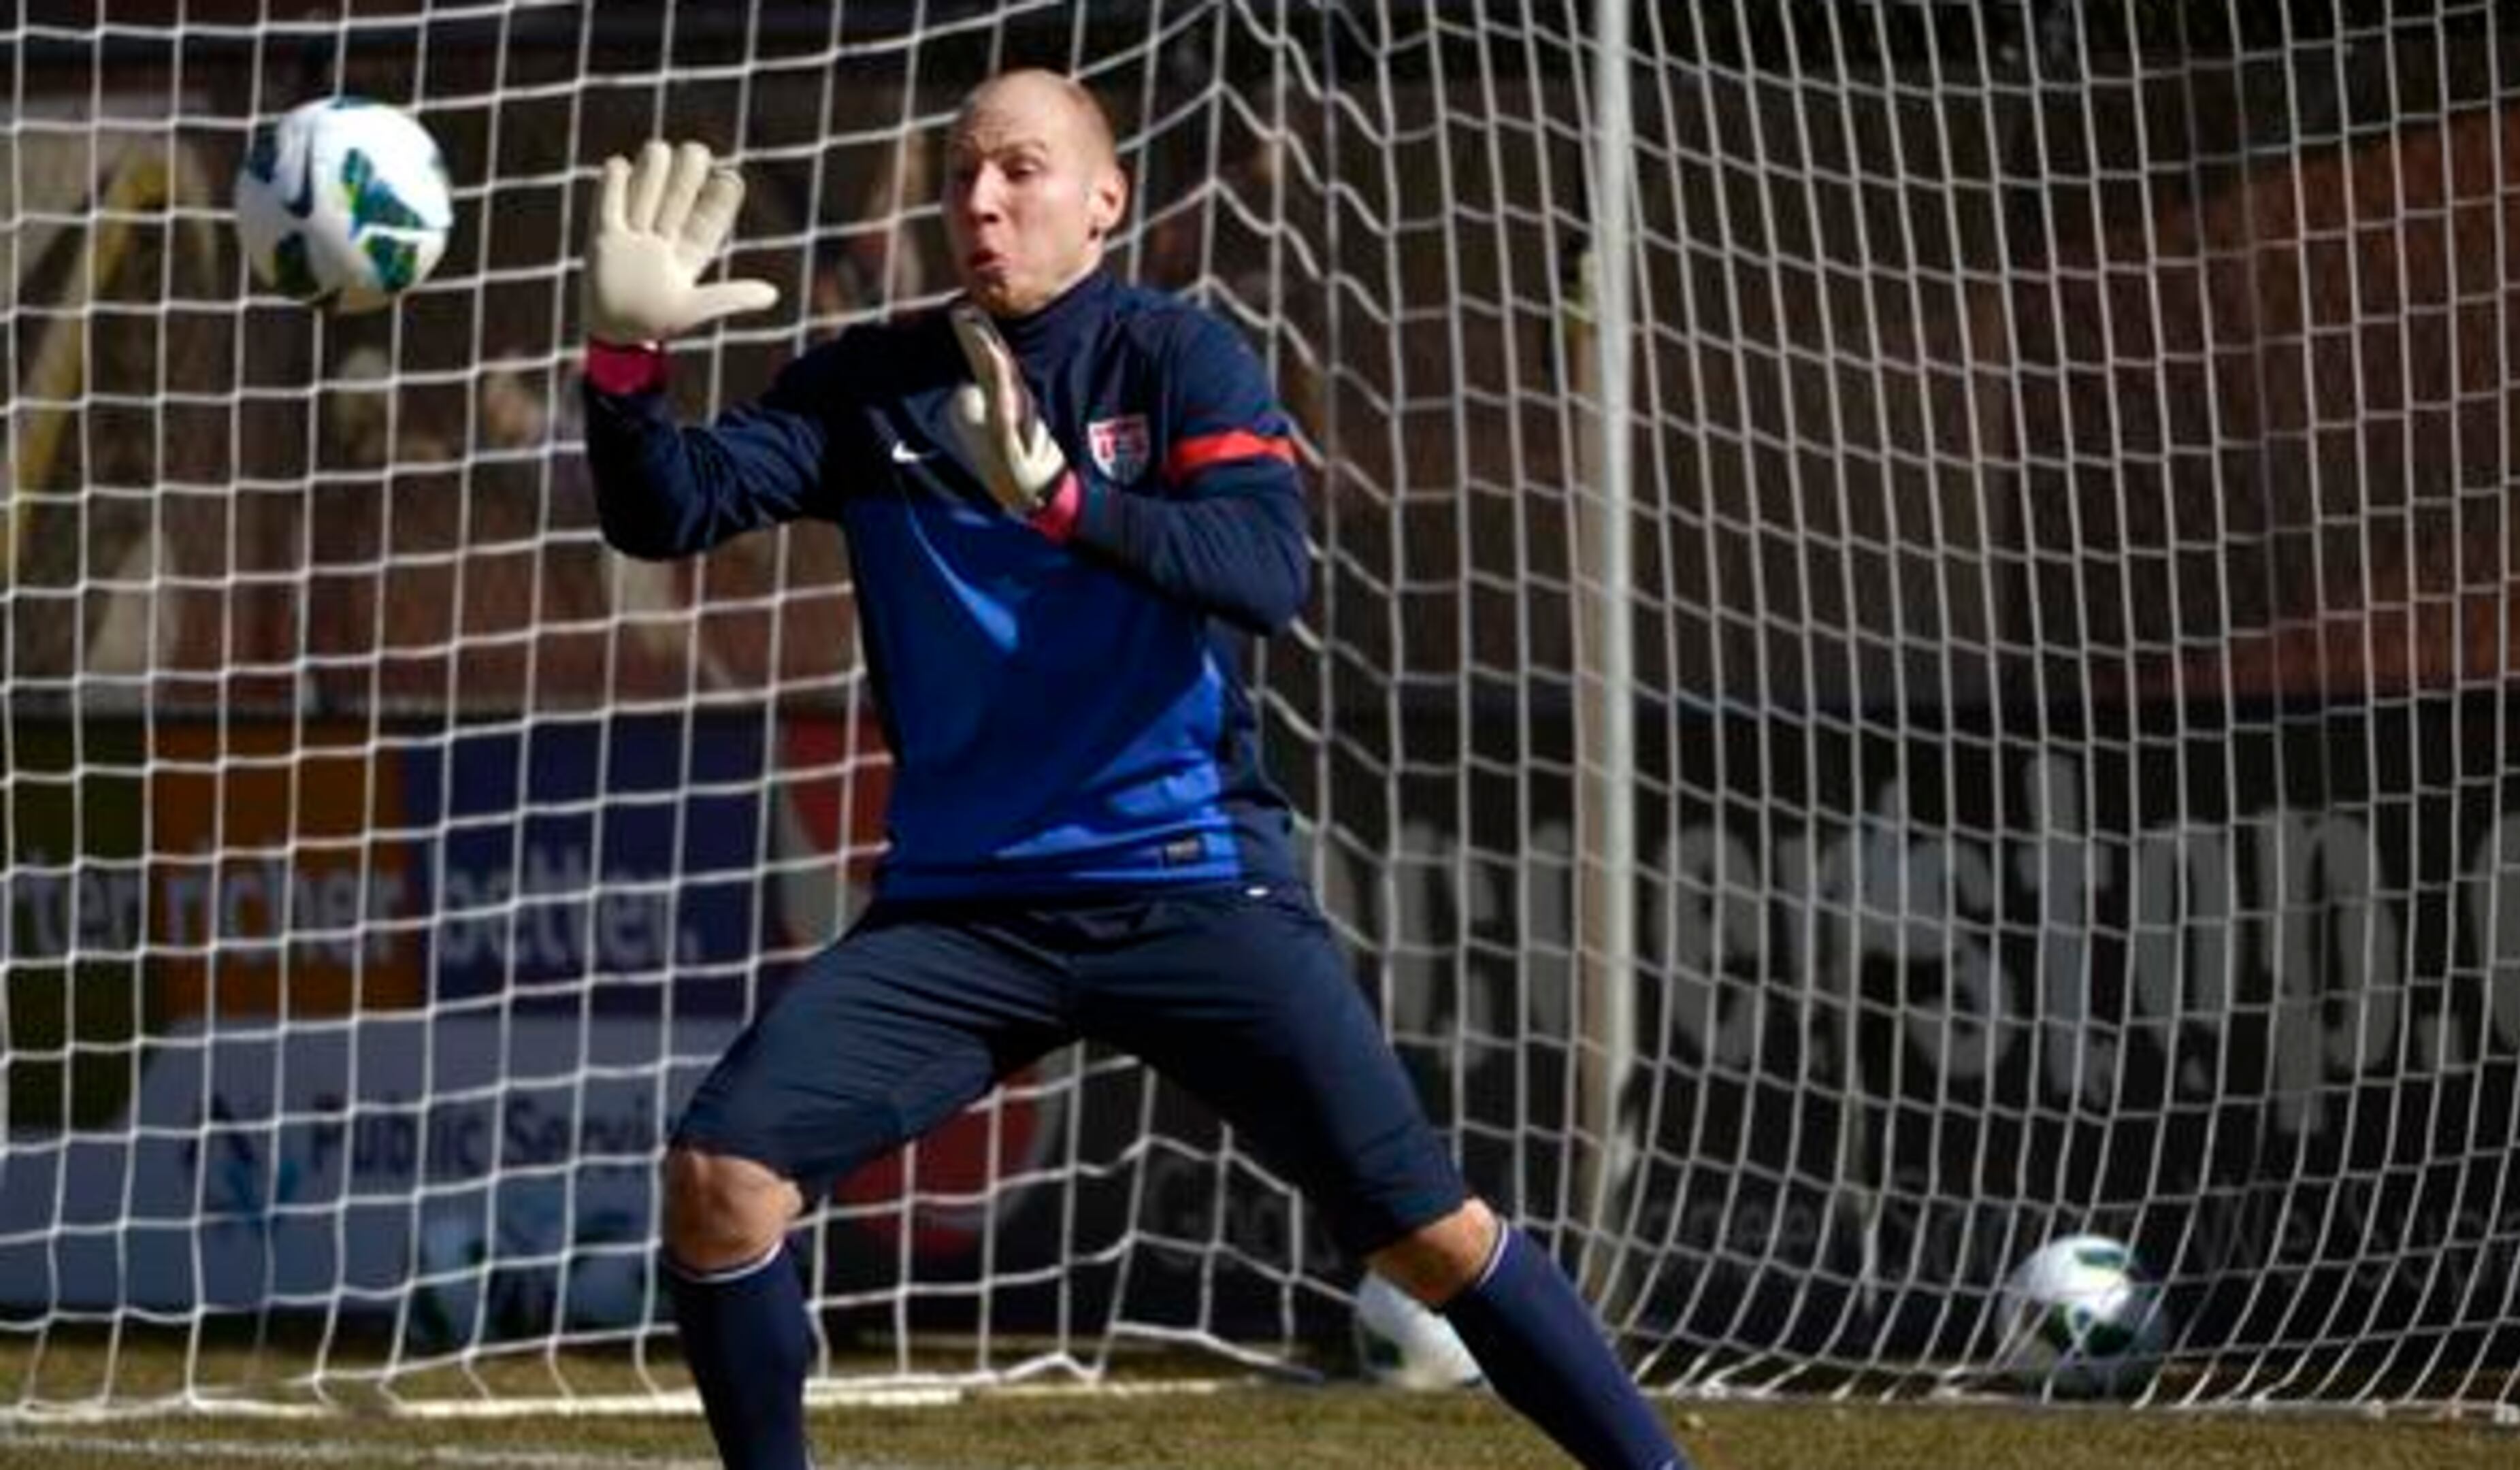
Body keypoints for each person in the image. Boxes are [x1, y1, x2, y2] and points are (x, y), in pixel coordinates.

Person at [579, 68, 1690, 1470]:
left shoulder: (1177, 359)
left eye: (1023, 169)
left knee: (1429, 1236)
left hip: (1189, 883)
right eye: (964, 172)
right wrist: (624, 370)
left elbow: (1264, 570)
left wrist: (1058, 497)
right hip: (961, 916)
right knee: (720, 1183)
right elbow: (665, 513)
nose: (983, 198)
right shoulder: (871, 384)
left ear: (1104, 203)